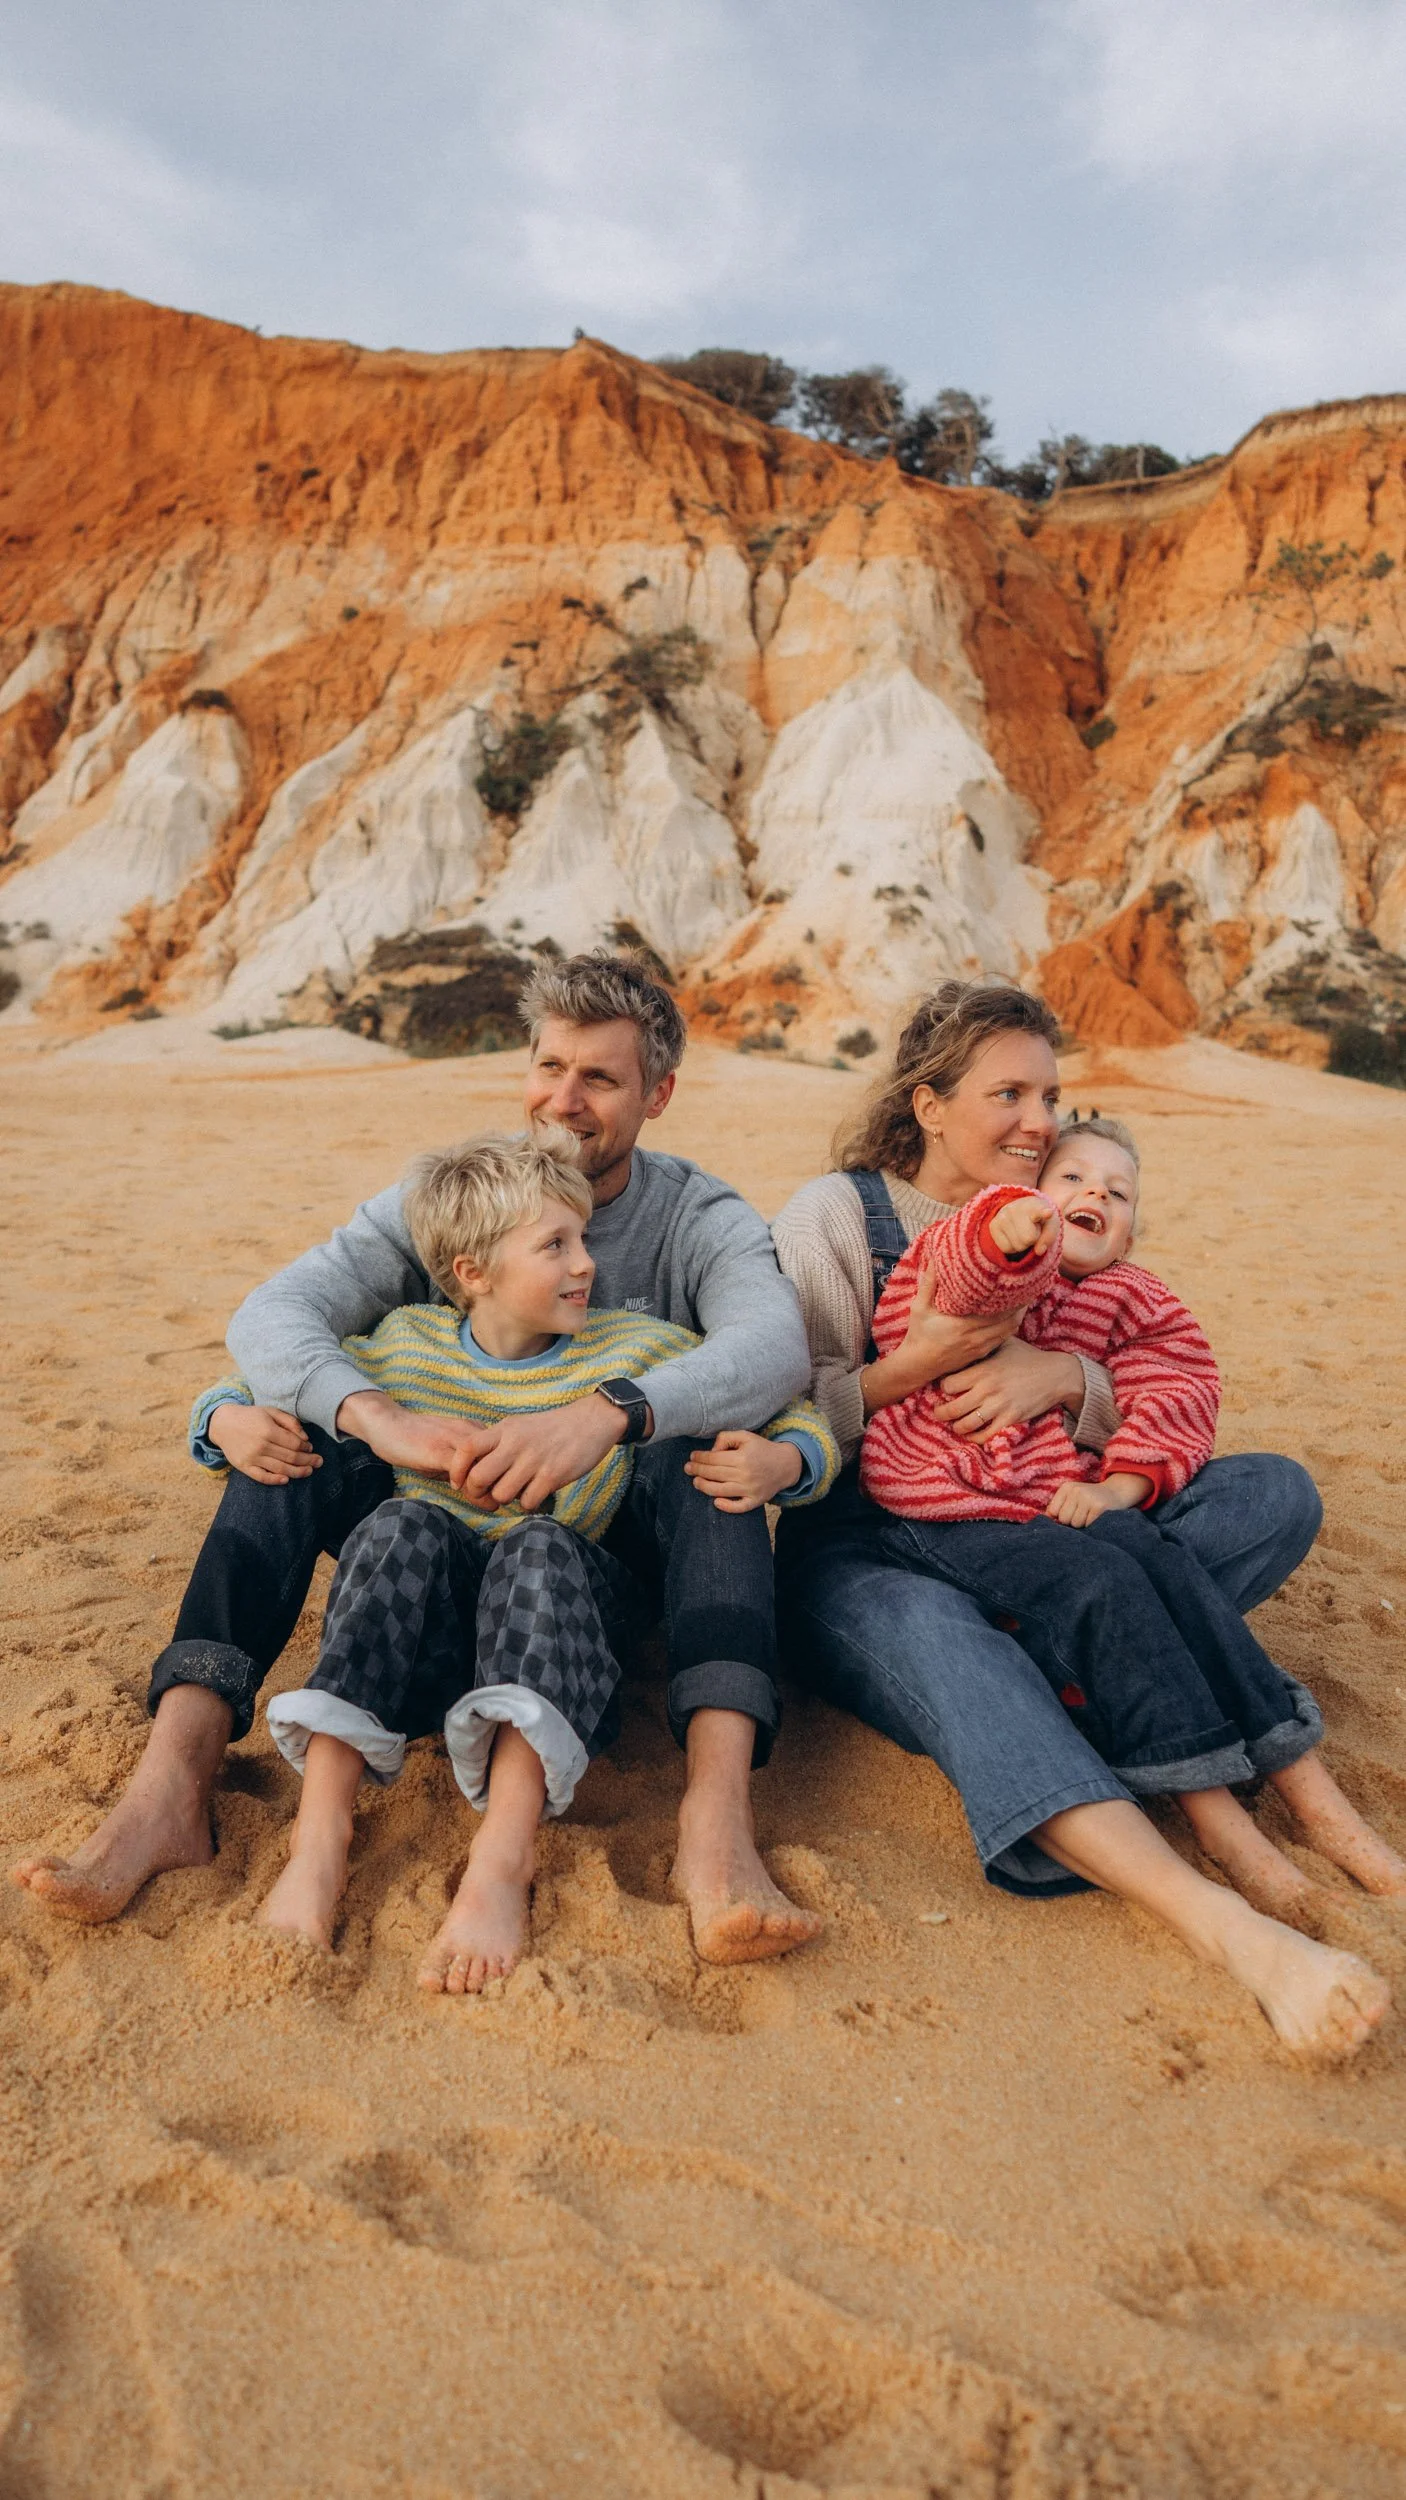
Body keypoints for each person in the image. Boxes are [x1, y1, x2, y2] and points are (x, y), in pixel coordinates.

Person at [13, 954, 823, 1966]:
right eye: (548, 1065)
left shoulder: (697, 1217)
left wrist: (607, 1413)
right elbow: (275, 1319)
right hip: (425, 1525)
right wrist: (371, 1417)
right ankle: (173, 1775)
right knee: (295, 1427)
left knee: (720, 1445)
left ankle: (714, 1821)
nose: (561, 1100)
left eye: (600, 1079)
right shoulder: (460, 1200)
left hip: (598, 1547)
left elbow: (772, 1350)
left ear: (657, 1093)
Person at [772, 979, 1391, 2061]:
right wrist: (924, 1363)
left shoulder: (1068, 1209)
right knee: (948, 1647)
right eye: (1006, 1091)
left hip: (1049, 1522)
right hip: (877, 1540)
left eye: (1049, 1092)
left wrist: (1057, 1377)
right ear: (926, 1103)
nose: (1037, 1117)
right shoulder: (837, 1216)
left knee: (1273, 1492)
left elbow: (1144, 1373)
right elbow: (786, 1414)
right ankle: (1230, 1932)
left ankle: (1065, 1659)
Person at [194, 1130, 834, 1985]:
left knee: (537, 1539)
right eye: (555, 1246)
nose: (587, 1265)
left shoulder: (634, 1350)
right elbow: (264, 1383)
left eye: (583, 1239)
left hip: (570, 1625)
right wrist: (216, 1419)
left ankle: (503, 1856)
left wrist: (788, 1460)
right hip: (430, 1640)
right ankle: (320, 1839)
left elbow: (788, 1410)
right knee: (395, 1529)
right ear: (471, 1273)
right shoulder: (405, 1345)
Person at [859, 1112, 1406, 1923]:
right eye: (1071, 1179)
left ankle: (1311, 1788)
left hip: (1069, 1499)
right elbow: (962, 1276)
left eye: (1117, 1193)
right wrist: (1007, 1230)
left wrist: (1117, 1482)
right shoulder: (993, 1256)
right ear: (1028, 1191)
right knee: (1115, 1575)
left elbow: (1178, 1389)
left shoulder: (1135, 1296)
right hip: (948, 1500)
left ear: (1131, 1231)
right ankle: (1221, 1822)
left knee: (1159, 1556)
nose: (1093, 1196)